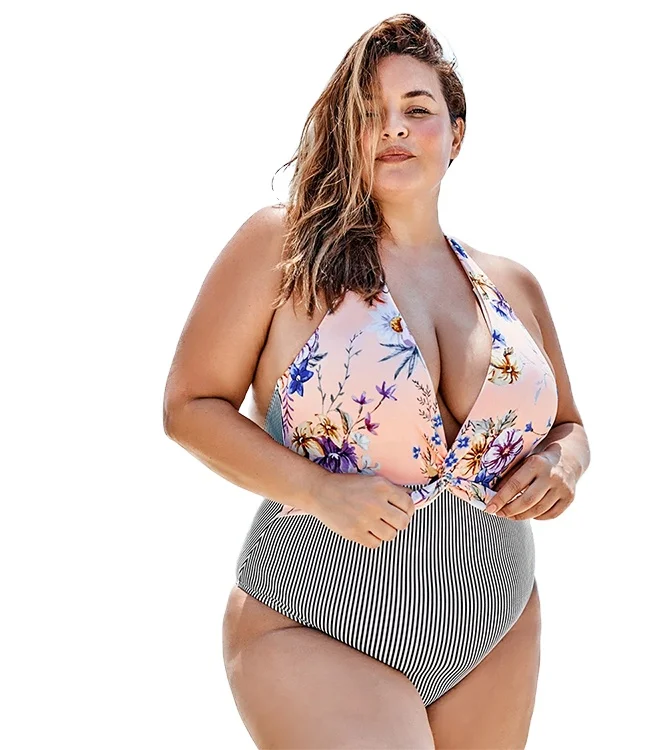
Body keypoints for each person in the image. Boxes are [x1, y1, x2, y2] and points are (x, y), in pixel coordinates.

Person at [163, 13, 590, 749]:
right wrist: (317, 489)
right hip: (310, 620)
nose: (393, 127)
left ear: (456, 134)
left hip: (497, 626)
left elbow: (570, 427)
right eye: (369, 113)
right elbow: (189, 405)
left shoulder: (513, 285)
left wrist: (562, 467)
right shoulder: (285, 247)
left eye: (417, 110)